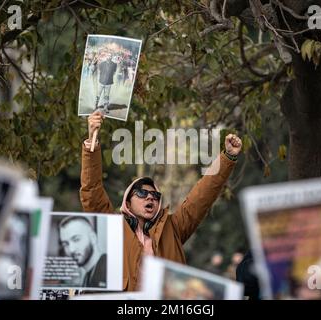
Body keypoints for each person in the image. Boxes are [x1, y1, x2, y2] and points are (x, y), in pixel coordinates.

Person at [80, 111, 242, 291]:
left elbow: (203, 195)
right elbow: (92, 192)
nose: (150, 197)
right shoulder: (112, 229)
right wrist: (91, 142)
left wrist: (228, 157)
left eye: (155, 196)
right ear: (127, 203)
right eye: (141, 193)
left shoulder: (173, 228)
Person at [58, 216, 107, 288]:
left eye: (76, 239)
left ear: (93, 238)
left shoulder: (108, 269)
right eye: (65, 244)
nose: (71, 249)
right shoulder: (87, 276)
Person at [91, 49, 118, 114]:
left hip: (109, 83)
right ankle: (95, 106)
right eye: (108, 55)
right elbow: (95, 69)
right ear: (106, 56)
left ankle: (105, 108)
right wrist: (93, 63)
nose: (109, 57)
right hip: (101, 82)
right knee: (98, 95)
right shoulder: (102, 64)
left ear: (112, 57)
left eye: (110, 56)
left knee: (106, 96)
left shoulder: (114, 64)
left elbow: (114, 72)